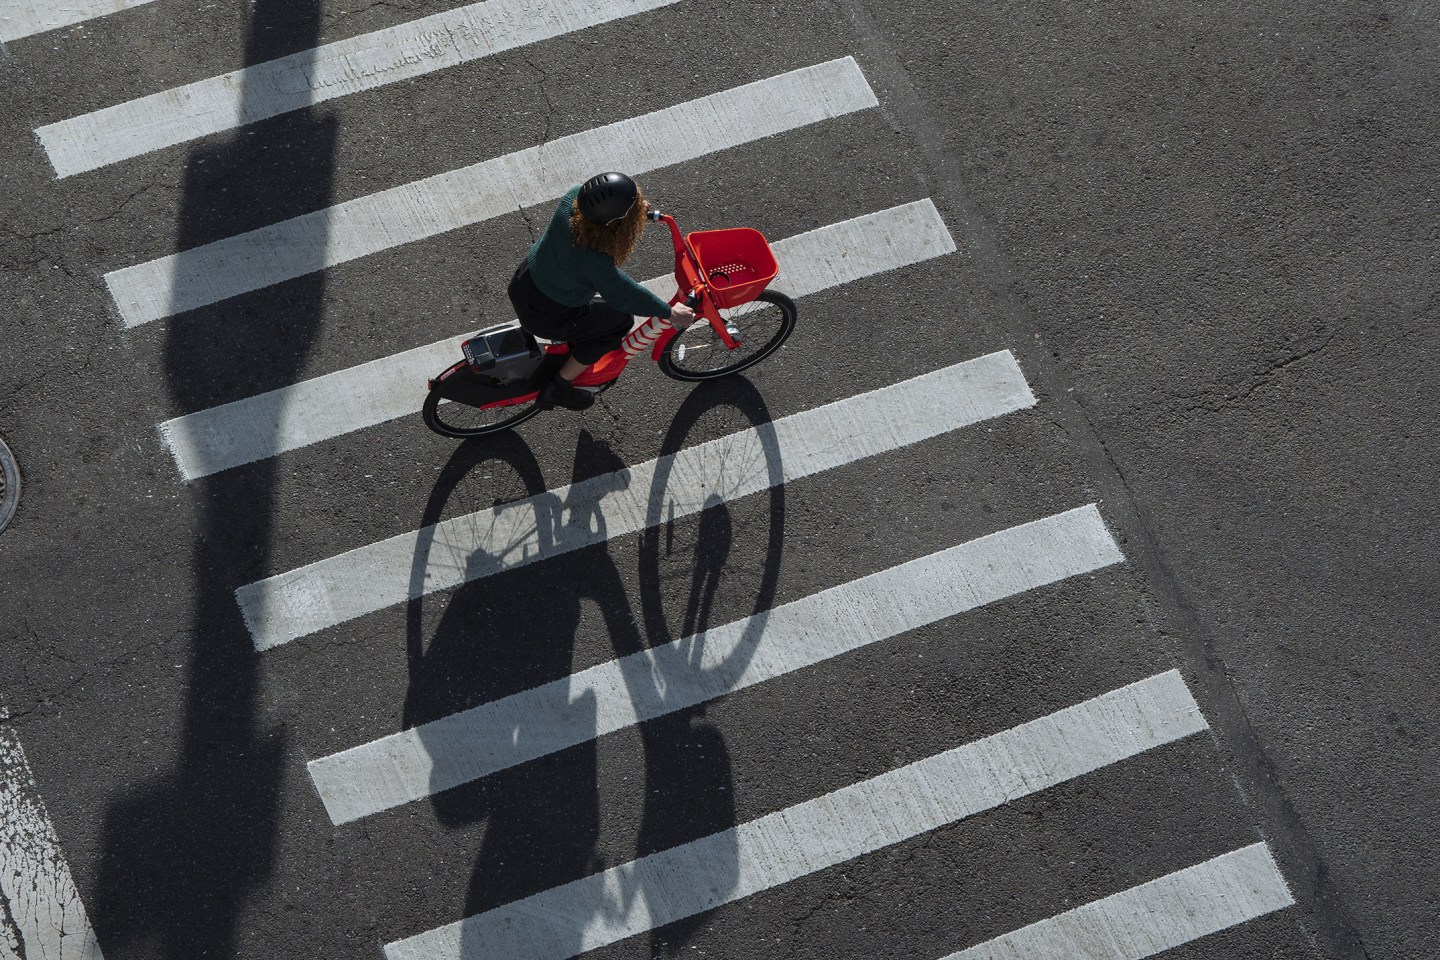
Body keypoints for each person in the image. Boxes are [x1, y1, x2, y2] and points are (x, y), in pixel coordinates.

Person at [508, 172, 695, 411]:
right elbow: (624, 293)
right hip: (547, 314)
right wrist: (668, 312)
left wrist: (634, 214)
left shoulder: (572, 198)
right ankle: (558, 386)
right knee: (619, 322)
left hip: (525, 281)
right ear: (613, 223)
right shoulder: (593, 260)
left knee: (599, 312)